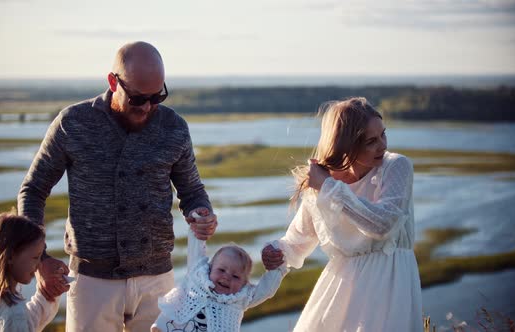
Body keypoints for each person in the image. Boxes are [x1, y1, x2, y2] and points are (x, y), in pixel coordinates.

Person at [17, 41, 218, 331]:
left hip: (158, 282)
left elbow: (192, 190)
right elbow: (33, 190)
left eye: (157, 96)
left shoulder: (175, 127)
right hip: (91, 284)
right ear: (113, 82)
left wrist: (203, 212)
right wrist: (41, 259)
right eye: (137, 98)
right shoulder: (72, 123)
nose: (148, 107)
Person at [262, 97, 423, 331]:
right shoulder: (322, 183)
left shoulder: (396, 166)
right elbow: (297, 242)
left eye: (383, 135)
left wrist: (328, 187)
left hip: (391, 284)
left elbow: (383, 224)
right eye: (371, 141)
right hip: (339, 291)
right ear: (347, 144)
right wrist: (275, 253)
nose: (383, 145)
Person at [151, 212, 287, 332]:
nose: (226, 277)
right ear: (210, 268)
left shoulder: (241, 297)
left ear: (245, 283)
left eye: (235, 276)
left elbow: (266, 290)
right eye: (221, 270)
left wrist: (278, 266)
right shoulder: (198, 274)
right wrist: (199, 221)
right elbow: (196, 247)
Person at [0, 212, 65, 331]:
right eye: (35, 257)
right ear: (10, 256)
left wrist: (47, 295)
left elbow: (28, 325)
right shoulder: (14, 314)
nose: (39, 264)